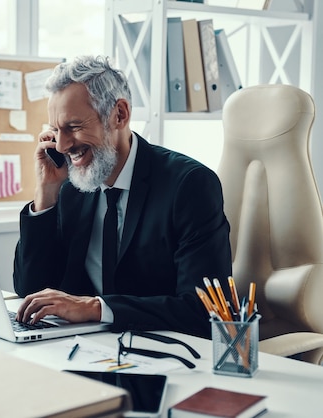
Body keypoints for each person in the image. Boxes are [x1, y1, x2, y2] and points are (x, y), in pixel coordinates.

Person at [13, 55, 232, 338]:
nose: (64, 145)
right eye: (56, 130)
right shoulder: (70, 185)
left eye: (74, 127)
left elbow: (206, 310)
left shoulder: (189, 186)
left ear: (119, 114)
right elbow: (30, 289)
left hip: (158, 350)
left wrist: (96, 308)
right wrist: (45, 194)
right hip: (81, 347)